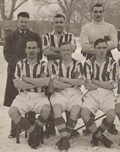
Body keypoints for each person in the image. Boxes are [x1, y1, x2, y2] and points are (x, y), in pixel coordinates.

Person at [80, 3, 118, 135]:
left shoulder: (110, 27)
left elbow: (115, 43)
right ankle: (89, 124)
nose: (97, 14)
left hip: (107, 57)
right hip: (91, 58)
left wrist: (98, 46)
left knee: (108, 88)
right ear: (91, 12)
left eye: (100, 11)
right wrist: (97, 49)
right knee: (91, 90)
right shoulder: (86, 27)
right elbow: (84, 47)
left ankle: (110, 123)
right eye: (95, 11)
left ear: (103, 12)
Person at [3, 12, 42, 138]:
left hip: (33, 71)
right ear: (17, 22)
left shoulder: (34, 36)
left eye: (26, 21)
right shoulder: (10, 37)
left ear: (28, 22)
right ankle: (15, 130)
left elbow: (39, 53)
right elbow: (7, 54)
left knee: (31, 96)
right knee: (16, 101)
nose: (23, 24)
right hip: (14, 70)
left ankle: (31, 128)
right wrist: (21, 64)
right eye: (21, 21)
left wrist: (29, 64)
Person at [8, 39, 51, 149]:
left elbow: (46, 82)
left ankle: (35, 131)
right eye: (29, 48)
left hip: (39, 95)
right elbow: (17, 84)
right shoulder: (20, 64)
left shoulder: (43, 64)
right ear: (25, 50)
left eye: (34, 48)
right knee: (12, 112)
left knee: (47, 110)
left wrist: (26, 79)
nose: (31, 50)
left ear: (38, 50)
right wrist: (37, 82)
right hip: (23, 96)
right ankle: (34, 132)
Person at [42, 13, 78, 137]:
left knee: (69, 94)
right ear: (53, 23)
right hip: (52, 68)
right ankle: (51, 126)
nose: (58, 24)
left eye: (61, 22)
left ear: (64, 23)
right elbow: (45, 51)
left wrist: (54, 48)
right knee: (51, 95)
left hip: (68, 68)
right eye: (56, 22)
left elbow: (72, 49)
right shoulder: (47, 36)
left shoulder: (70, 35)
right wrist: (62, 50)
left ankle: (70, 127)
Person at [81, 38, 117, 148]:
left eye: (104, 48)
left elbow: (112, 85)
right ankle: (100, 136)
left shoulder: (112, 62)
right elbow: (87, 85)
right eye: (99, 48)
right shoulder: (88, 63)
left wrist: (95, 81)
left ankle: (97, 135)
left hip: (107, 93)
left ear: (107, 49)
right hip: (92, 93)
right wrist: (103, 83)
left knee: (111, 115)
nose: (102, 50)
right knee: (84, 113)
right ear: (94, 49)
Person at [50, 41, 85, 151]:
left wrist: (63, 79)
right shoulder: (55, 64)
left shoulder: (78, 64)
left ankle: (64, 139)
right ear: (60, 51)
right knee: (56, 109)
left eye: (68, 50)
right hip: (59, 93)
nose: (66, 52)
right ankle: (65, 139)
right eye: (63, 50)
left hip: (74, 92)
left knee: (74, 111)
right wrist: (72, 82)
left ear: (72, 50)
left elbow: (80, 82)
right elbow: (55, 84)